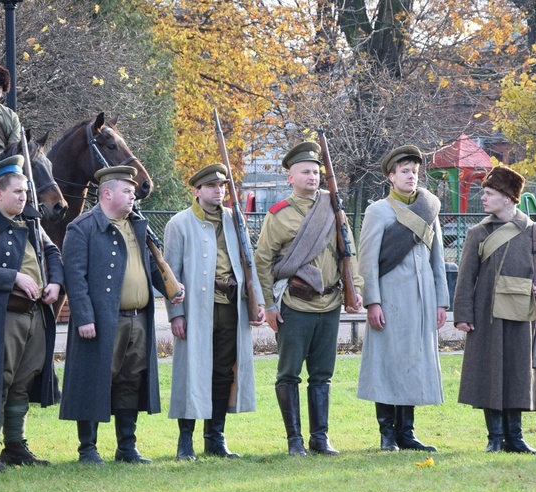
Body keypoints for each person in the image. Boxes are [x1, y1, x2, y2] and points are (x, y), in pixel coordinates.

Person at [60, 166, 183, 465]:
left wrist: (172, 289)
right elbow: (75, 278)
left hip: (138, 318)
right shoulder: (82, 227)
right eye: (127, 191)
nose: (133, 197)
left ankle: (126, 447)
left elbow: (152, 267)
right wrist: (85, 317)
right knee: (94, 379)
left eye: (133, 192)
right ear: (106, 193)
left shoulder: (137, 225)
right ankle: (87, 449)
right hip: (102, 322)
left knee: (131, 381)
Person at [255, 141, 363, 456]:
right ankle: (295, 441)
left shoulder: (334, 209)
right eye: (305, 172)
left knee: (322, 375)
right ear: (290, 177)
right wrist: (270, 306)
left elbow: (349, 252)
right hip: (295, 305)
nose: (312, 177)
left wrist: (355, 290)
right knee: (289, 373)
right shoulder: (279, 215)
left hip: (330, 304)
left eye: (316, 172)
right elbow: (262, 262)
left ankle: (320, 438)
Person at [0, 155, 64, 472]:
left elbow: (52, 252)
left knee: (22, 381)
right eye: (17, 192)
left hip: (35, 313)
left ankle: (15, 446)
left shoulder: (31, 223)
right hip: (0, 315)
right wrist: (15, 277)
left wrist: (57, 283)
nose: (24, 197)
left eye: (25, 192)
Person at [454, 165, 536, 454]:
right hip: (487, 314)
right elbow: (466, 277)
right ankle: (494, 438)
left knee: (517, 374)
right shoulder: (478, 233)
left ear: (508, 198)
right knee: (489, 374)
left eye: (489, 193)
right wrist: (463, 314)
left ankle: (515, 438)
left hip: (521, 315)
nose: (484, 199)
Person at [163, 163, 265, 461]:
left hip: (231, 307)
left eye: (221, 186)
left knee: (223, 374)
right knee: (192, 372)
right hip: (195, 310)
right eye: (211, 186)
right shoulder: (179, 224)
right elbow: (171, 274)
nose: (218, 190)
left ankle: (215, 437)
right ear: (197, 191)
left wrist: (255, 301)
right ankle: (185, 442)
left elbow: (249, 263)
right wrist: (176, 314)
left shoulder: (235, 220)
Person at [356, 145, 449, 452]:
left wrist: (440, 301)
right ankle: (387, 433)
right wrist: (373, 302)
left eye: (415, 172)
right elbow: (367, 262)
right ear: (391, 176)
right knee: (386, 364)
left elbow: (437, 259)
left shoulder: (428, 208)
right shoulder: (377, 211)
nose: (411, 177)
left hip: (421, 302)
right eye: (405, 171)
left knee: (413, 365)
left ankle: (406, 433)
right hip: (390, 300)